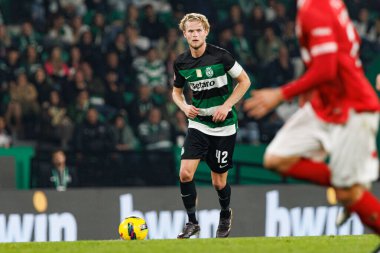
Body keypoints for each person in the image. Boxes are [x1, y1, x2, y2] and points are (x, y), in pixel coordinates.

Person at [243, 0, 380, 236]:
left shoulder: (315, 7)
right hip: (323, 104)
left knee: (347, 194)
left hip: (351, 105)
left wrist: (280, 94)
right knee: (276, 159)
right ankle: (348, 185)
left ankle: (351, 190)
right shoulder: (324, 4)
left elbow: (326, 68)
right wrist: (310, 89)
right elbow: (348, 45)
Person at [172, 13, 251, 239]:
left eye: (199, 30)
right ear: (184, 34)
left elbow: (245, 81)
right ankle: (192, 222)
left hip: (224, 126)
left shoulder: (221, 56)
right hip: (198, 124)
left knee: (219, 182)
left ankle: (225, 214)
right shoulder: (181, 62)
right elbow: (176, 92)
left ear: (206, 32)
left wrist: (226, 105)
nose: (195, 34)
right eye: (191, 31)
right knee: (185, 174)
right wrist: (184, 106)